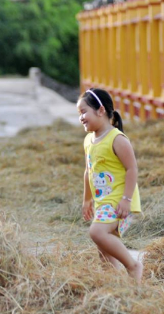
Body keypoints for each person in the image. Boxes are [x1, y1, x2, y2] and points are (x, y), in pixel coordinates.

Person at [77, 88, 143, 284]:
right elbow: (88, 171)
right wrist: (87, 200)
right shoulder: (89, 140)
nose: (81, 118)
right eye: (78, 114)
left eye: (83, 112)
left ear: (100, 110)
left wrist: (126, 200)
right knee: (104, 253)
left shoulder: (117, 138)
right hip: (102, 202)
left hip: (119, 201)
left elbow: (132, 169)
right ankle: (117, 289)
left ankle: (133, 265)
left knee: (97, 232)